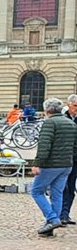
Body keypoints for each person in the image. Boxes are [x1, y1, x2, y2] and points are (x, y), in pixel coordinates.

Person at [29, 97, 77, 236]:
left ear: (46, 110)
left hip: (51, 165)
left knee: (37, 191)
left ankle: (52, 218)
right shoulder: (71, 124)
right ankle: (50, 226)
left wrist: (37, 163)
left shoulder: (49, 123)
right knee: (57, 194)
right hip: (67, 165)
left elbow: (44, 146)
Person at [59, 94, 77, 226]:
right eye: (75, 106)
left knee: (71, 188)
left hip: (75, 159)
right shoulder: (61, 118)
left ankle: (65, 214)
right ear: (69, 104)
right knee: (62, 188)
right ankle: (60, 214)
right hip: (63, 158)